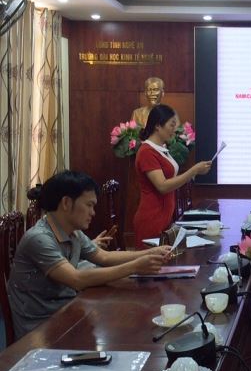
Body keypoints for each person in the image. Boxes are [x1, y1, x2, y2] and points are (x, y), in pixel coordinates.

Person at [7, 171, 172, 339]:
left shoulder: (73, 232)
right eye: (89, 205)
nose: (93, 212)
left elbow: (103, 257)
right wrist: (135, 266)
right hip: (40, 329)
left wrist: (151, 252)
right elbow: (76, 279)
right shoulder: (39, 238)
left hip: (67, 311)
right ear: (66, 203)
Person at [133, 104, 212, 249]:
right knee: (153, 261)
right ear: (158, 125)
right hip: (152, 218)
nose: (174, 130)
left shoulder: (161, 149)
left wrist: (196, 172)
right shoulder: (146, 152)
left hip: (164, 217)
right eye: (171, 125)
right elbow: (162, 186)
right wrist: (193, 171)